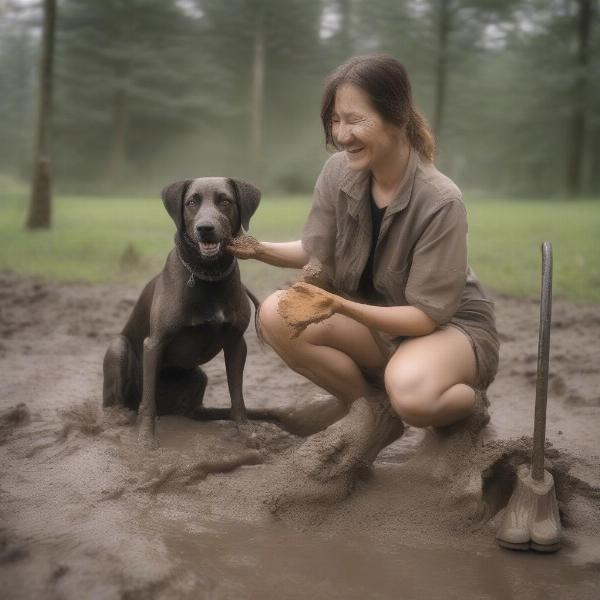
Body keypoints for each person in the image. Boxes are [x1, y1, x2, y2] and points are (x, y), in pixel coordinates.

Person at [228, 55, 499, 450]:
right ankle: (371, 414)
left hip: (445, 328)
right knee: (276, 313)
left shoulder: (441, 200)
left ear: (398, 117)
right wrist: (256, 249)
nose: (341, 134)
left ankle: (467, 405)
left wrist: (339, 306)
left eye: (354, 120)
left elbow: (424, 317)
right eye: (335, 120)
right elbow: (317, 250)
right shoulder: (339, 172)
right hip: (377, 318)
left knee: (413, 395)